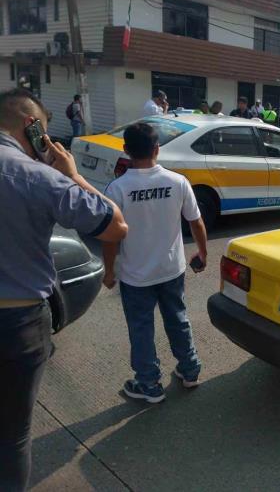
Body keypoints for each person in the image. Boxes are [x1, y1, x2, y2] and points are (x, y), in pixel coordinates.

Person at [0, 88, 128, 491]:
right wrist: (71, 173)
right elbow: (115, 226)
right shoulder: (35, 175)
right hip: (16, 324)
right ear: (32, 126)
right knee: (12, 435)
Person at [102, 123, 208, 403]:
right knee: (178, 319)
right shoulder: (178, 181)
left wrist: (109, 269)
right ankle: (190, 370)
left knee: (141, 328)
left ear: (126, 150)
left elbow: (110, 237)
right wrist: (203, 253)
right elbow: (196, 222)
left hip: (136, 276)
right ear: (157, 149)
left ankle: (149, 384)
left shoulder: (118, 188)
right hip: (172, 269)